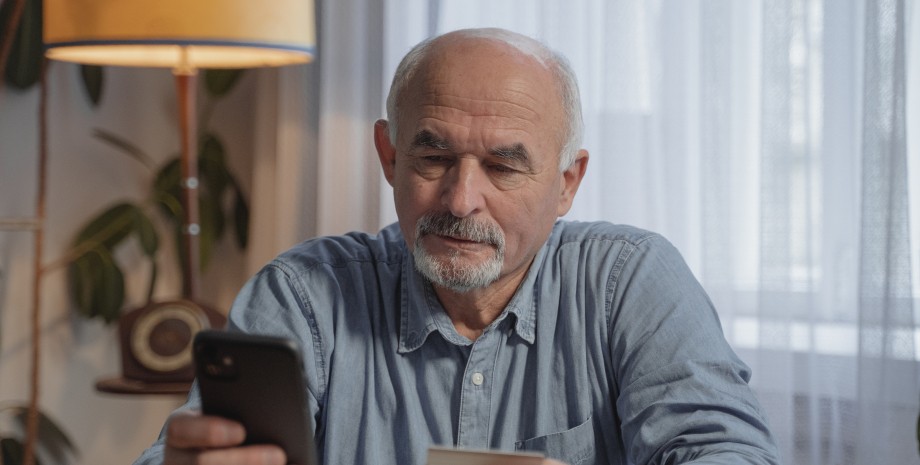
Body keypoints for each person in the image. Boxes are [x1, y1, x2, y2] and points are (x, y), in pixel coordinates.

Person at [133, 28, 779, 465]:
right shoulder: (305, 297)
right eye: (434, 156)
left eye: (503, 166)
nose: (462, 198)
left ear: (567, 183)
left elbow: (726, 451)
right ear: (390, 156)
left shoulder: (630, 283)